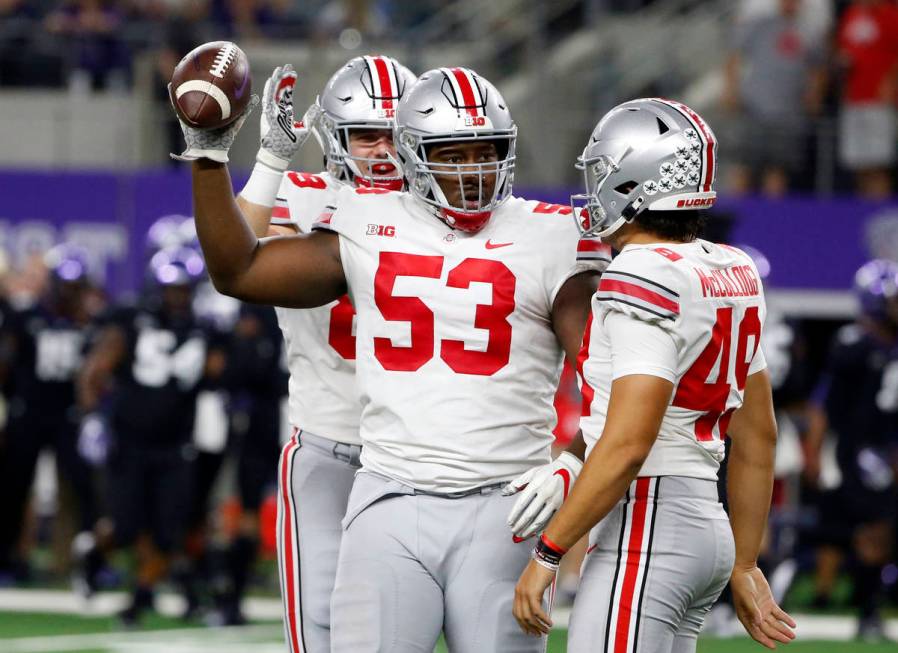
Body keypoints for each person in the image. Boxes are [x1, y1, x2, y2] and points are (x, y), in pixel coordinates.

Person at [172, 65, 609, 652]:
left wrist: (572, 462)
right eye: (453, 153)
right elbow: (237, 269)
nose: (475, 170)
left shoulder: (553, 232)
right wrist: (213, 155)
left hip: (504, 495)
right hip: (385, 487)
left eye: (489, 152)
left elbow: (615, 382)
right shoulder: (357, 216)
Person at [512, 98, 796, 653]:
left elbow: (627, 446)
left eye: (603, 173)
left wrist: (549, 552)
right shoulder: (733, 268)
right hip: (704, 527)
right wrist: (742, 559)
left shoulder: (640, 272)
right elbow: (758, 433)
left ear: (633, 182)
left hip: (650, 522)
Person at [233, 55, 415, 650]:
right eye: (367, 134)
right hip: (330, 444)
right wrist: (269, 162)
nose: (383, 150)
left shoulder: (449, 214)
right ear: (335, 136)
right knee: (320, 633)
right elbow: (233, 258)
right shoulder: (304, 196)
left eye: (395, 133)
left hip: (423, 455)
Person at [75, 244, 226, 624]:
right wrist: (92, 417)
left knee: (167, 530)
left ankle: (139, 599)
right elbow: (95, 371)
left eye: (184, 290)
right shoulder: (131, 320)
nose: (177, 298)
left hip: (176, 445)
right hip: (130, 440)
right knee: (125, 527)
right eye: (172, 290)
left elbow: (218, 373)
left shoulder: (203, 328)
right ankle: (94, 553)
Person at [802, 259, 898, 641]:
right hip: (856, 449)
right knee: (868, 530)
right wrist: (815, 447)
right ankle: (867, 609)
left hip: (883, 447)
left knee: (879, 529)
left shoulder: (888, 346)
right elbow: (824, 403)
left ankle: (868, 605)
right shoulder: (854, 343)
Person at [0, 245, 97, 582]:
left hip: (68, 416)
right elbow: (7, 365)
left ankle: (87, 561)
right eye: (65, 284)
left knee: (83, 487)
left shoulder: (91, 322)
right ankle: (9, 559)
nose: (70, 292)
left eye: (76, 285)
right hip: (29, 413)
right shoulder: (26, 316)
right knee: (13, 487)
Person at [836, 0, 898, 198]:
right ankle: (862, 213)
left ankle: (879, 215)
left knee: (878, 164)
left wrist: (892, 81)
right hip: (853, 99)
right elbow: (842, 46)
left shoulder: (891, 15)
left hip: (879, 102)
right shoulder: (851, 15)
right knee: (859, 164)